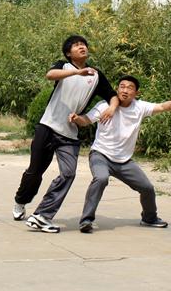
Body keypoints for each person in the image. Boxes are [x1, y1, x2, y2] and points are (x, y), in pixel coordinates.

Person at [13, 35, 119, 234]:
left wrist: (112, 108)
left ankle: (42, 215)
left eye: (83, 44)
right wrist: (77, 72)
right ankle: (21, 201)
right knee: (35, 172)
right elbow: (50, 75)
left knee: (69, 173)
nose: (82, 47)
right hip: (48, 127)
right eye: (77, 45)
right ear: (69, 53)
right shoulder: (64, 66)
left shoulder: (96, 75)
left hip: (69, 134)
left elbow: (112, 95)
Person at [69, 75, 171, 232]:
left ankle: (149, 218)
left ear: (136, 93)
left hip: (124, 161)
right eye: (122, 86)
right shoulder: (104, 105)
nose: (125, 90)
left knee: (147, 188)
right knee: (101, 178)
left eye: (130, 88)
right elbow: (86, 120)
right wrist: (77, 118)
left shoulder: (140, 107)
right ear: (117, 89)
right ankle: (86, 220)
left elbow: (161, 107)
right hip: (100, 155)